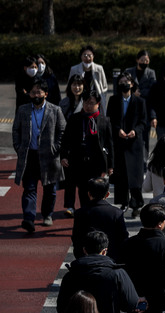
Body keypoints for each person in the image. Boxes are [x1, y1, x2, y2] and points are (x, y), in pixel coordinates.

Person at [12, 77, 65, 233]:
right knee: (29, 188)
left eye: (39, 92)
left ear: (46, 94)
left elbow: (63, 131)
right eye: (33, 92)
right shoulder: (23, 110)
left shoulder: (55, 110)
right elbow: (16, 130)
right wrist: (18, 147)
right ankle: (28, 218)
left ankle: (47, 214)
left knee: (50, 188)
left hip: (49, 156)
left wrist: (56, 147)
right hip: (30, 155)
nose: (36, 95)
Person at [60, 88, 114, 209]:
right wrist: (63, 156)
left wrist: (110, 165)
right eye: (85, 103)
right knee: (82, 189)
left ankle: (92, 210)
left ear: (98, 104)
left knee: (95, 188)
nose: (88, 106)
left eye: (91, 103)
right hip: (78, 159)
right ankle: (83, 211)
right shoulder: (75, 119)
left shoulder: (104, 121)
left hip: (97, 160)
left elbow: (109, 144)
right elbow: (66, 139)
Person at [106, 71, 147, 218]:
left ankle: (136, 203)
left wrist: (135, 131)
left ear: (132, 84)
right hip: (119, 142)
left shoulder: (139, 102)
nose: (124, 84)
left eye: (127, 82)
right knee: (121, 174)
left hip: (134, 143)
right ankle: (123, 202)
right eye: (121, 82)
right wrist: (117, 130)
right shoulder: (113, 100)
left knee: (135, 176)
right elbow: (109, 120)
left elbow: (143, 122)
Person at [71, 177, 129, 262]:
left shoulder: (80, 213)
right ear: (107, 194)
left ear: (89, 194)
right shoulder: (117, 213)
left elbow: (76, 238)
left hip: (86, 258)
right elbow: (123, 238)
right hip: (111, 258)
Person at [59, 74, 85, 217]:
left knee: (83, 180)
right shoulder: (63, 103)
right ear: (70, 86)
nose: (77, 87)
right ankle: (69, 206)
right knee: (69, 179)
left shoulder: (87, 102)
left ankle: (83, 206)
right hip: (68, 145)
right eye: (74, 84)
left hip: (84, 145)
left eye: (79, 84)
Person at [126, 50, 156, 154]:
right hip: (131, 108)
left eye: (147, 60)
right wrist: (132, 92)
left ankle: (144, 162)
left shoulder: (151, 73)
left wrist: (140, 93)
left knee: (144, 138)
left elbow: (153, 89)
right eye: (142, 60)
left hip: (145, 109)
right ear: (137, 60)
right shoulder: (129, 71)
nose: (144, 62)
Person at [68, 45, 108, 110]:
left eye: (90, 55)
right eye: (85, 55)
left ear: (93, 56)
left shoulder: (99, 68)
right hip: (80, 102)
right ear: (81, 57)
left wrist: (101, 97)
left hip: (96, 102)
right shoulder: (74, 69)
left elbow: (104, 86)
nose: (88, 58)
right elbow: (70, 86)